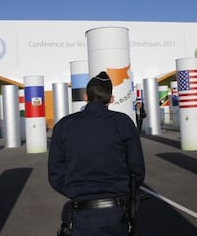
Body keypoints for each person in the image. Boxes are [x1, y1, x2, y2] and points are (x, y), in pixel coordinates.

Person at [48, 71, 145, 236]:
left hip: (82, 213)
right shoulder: (123, 123)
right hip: (118, 212)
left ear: (86, 96)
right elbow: (137, 170)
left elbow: (56, 175)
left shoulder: (64, 126)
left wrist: (78, 192)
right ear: (111, 99)